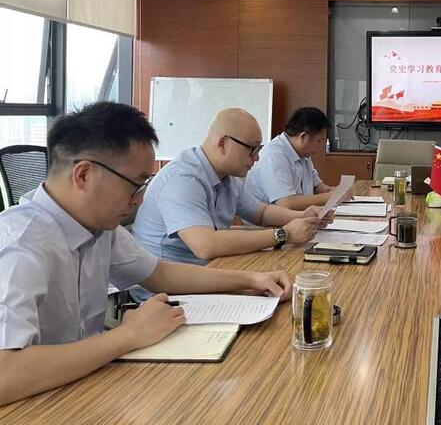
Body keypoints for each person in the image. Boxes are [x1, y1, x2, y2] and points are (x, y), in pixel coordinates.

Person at [0, 102, 293, 406]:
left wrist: (251, 280)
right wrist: (129, 335)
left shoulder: (98, 226)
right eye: (135, 185)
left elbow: (159, 274)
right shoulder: (20, 246)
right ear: (84, 175)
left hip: (83, 386)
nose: (139, 200)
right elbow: (5, 375)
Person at [133, 108, 321, 267]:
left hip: (208, 270)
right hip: (168, 288)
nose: (256, 158)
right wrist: (284, 234)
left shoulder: (228, 177)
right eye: (252, 149)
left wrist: (302, 216)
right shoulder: (183, 180)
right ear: (223, 143)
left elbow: (261, 213)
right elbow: (206, 245)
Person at [245, 107, 339, 210]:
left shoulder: (303, 154)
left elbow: (317, 187)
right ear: (303, 137)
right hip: (269, 220)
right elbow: (286, 203)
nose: (320, 147)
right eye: (319, 141)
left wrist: (334, 191)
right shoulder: (274, 156)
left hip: (298, 216)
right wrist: (330, 197)